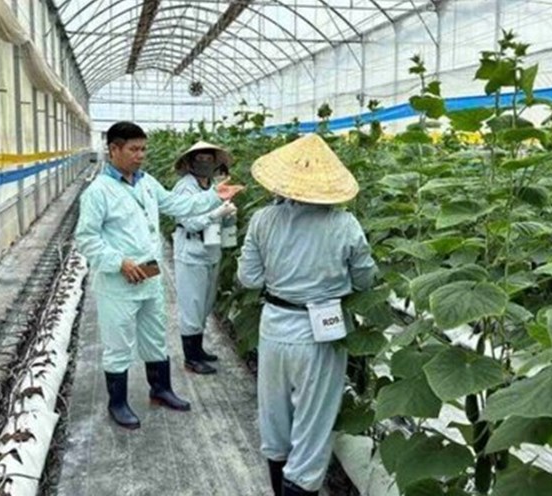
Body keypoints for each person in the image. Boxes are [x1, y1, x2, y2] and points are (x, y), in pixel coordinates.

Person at [75, 122, 243, 430]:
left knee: (155, 336)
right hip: (119, 283)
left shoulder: (146, 183)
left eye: (143, 149)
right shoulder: (99, 192)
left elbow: (176, 204)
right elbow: (86, 238)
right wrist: (118, 262)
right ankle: (118, 402)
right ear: (113, 149)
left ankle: (161, 390)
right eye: (133, 149)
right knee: (119, 343)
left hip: (150, 277)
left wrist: (215, 196)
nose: (141, 155)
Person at [237, 134, 378, 496]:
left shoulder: (262, 219)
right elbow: (365, 278)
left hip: (274, 326)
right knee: (313, 432)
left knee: (275, 424)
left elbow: (249, 278)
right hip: (322, 331)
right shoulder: (343, 224)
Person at [172, 142, 237, 375]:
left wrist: (229, 214)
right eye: (199, 159)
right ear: (189, 163)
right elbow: (188, 221)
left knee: (206, 302)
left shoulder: (215, 186)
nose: (205, 164)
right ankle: (191, 358)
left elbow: (223, 220)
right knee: (192, 304)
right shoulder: (184, 188)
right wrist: (216, 213)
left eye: (209, 159)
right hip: (191, 251)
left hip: (211, 249)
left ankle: (198, 350)